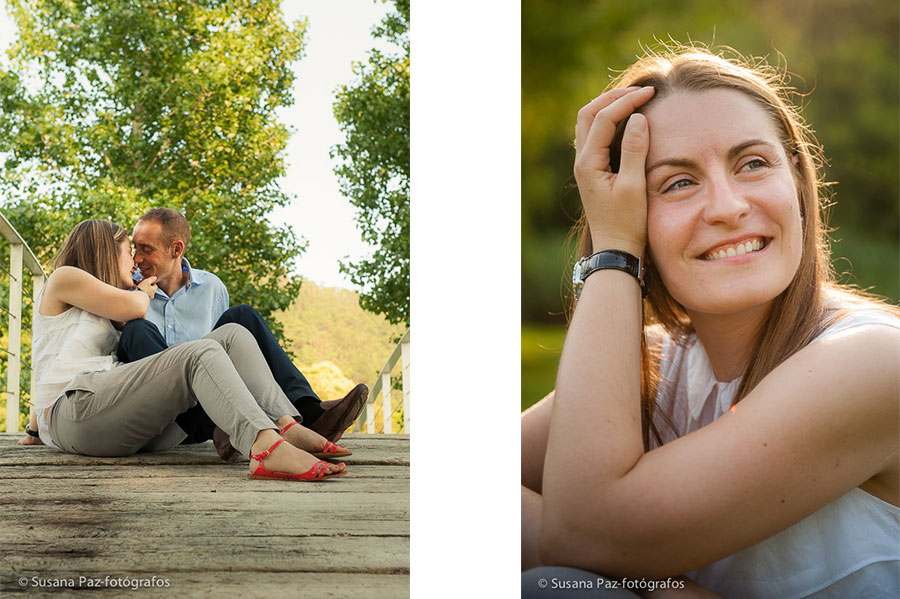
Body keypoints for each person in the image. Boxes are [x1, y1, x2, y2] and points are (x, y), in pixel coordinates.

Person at [521, 45, 899, 598]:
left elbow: (579, 533)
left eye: (752, 163)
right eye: (678, 182)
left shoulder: (875, 362)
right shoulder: (659, 364)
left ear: (796, 179)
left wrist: (613, 254)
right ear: (626, 210)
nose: (727, 206)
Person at [29, 219, 349, 481]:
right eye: (130, 251)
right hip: (76, 412)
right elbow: (54, 366)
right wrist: (37, 426)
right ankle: (265, 448)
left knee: (233, 334)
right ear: (107, 251)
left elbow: (49, 357)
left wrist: (32, 429)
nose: (136, 261)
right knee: (199, 353)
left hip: (117, 422)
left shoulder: (107, 299)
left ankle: (286, 425)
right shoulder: (64, 278)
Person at [115, 207, 367, 459]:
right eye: (134, 249)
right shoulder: (128, 292)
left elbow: (233, 353)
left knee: (243, 317)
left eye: (146, 249)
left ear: (177, 249)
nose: (137, 258)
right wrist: (136, 297)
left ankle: (308, 413)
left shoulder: (212, 288)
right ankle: (228, 427)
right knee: (136, 329)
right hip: (165, 416)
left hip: (208, 406)